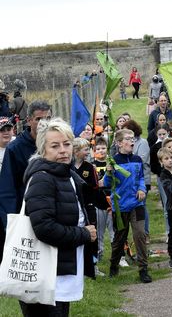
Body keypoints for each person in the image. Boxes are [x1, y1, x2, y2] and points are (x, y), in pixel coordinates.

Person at [21, 118, 96, 316]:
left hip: (59, 273)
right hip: (44, 276)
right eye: (55, 146)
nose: (63, 150)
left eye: (67, 144)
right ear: (43, 149)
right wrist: (83, 234)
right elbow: (44, 228)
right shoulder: (42, 178)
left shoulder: (66, 175)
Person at [0, 100, 52, 263]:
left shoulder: (56, 144)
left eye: (48, 118)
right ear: (29, 120)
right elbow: (8, 190)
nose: (44, 123)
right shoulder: (15, 149)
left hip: (53, 209)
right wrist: (9, 223)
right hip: (27, 214)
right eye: (39, 119)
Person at [105, 128, 151, 283]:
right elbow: (106, 184)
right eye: (128, 139)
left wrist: (142, 189)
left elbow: (141, 179)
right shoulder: (113, 161)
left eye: (133, 138)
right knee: (119, 239)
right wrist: (108, 172)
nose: (132, 141)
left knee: (140, 235)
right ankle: (114, 266)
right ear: (119, 143)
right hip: (120, 206)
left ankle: (143, 269)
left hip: (137, 204)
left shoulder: (137, 159)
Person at [72, 138, 101, 276]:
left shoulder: (89, 167)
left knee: (92, 233)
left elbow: (95, 187)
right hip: (73, 206)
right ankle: (77, 265)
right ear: (76, 151)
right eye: (85, 150)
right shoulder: (68, 166)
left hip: (88, 206)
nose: (88, 152)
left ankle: (93, 264)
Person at [92, 137, 113, 264]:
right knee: (99, 231)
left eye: (103, 148)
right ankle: (99, 255)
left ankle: (119, 255)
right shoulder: (92, 165)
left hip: (112, 199)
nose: (101, 151)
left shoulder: (111, 163)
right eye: (98, 148)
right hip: (98, 201)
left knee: (114, 230)